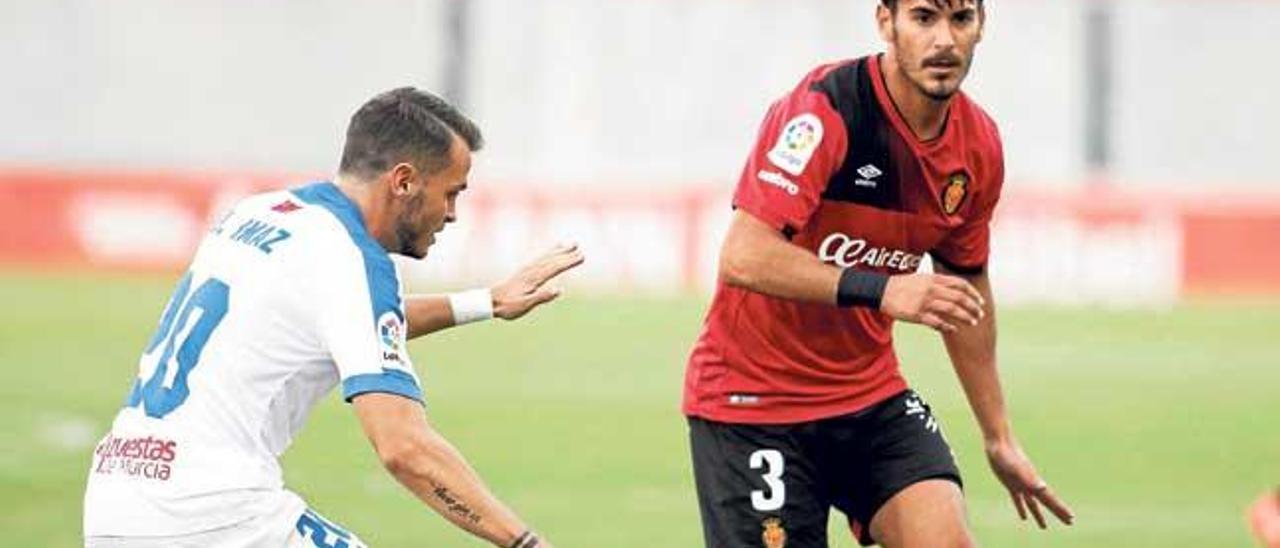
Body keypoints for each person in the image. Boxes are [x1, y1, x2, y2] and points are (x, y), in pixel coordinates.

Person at [83, 87, 582, 548]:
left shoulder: (263, 213)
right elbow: (403, 447)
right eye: (452, 192)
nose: (452, 214)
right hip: (211, 515)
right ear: (404, 181)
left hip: (116, 496)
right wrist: (524, 543)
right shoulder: (354, 256)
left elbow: (345, 322)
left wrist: (486, 302)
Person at [682, 1, 1073, 546]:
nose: (944, 41)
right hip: (754, 404)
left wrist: (998, 435)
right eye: (923, 17)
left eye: (960, 19)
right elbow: (744, 255)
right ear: (885, 22)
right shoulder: (827, 109)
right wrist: (883, 289)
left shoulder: (977, 145)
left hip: (868, 396)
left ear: (981, 27)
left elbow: (964, 288)